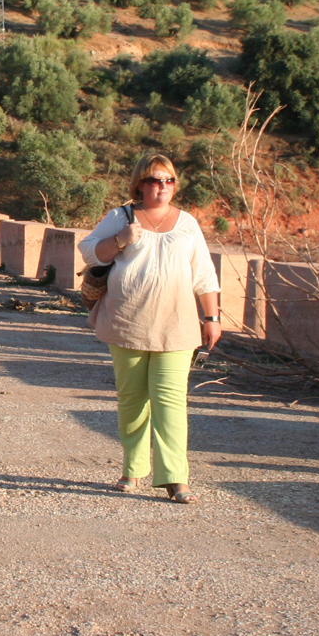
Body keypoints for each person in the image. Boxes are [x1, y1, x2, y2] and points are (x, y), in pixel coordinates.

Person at [78, 152, 221, 504]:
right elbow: (89, 252)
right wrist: (122, 239)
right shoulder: (120, 217)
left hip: (177, 323)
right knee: (132, 399)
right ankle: (133, 469)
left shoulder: (188, 223)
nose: (163, 187)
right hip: (128, 321)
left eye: (169, 180)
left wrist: (212, 318)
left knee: (170, 399)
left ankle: (175, 477)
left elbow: (204, 273)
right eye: (156, 180)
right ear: (140, 183)